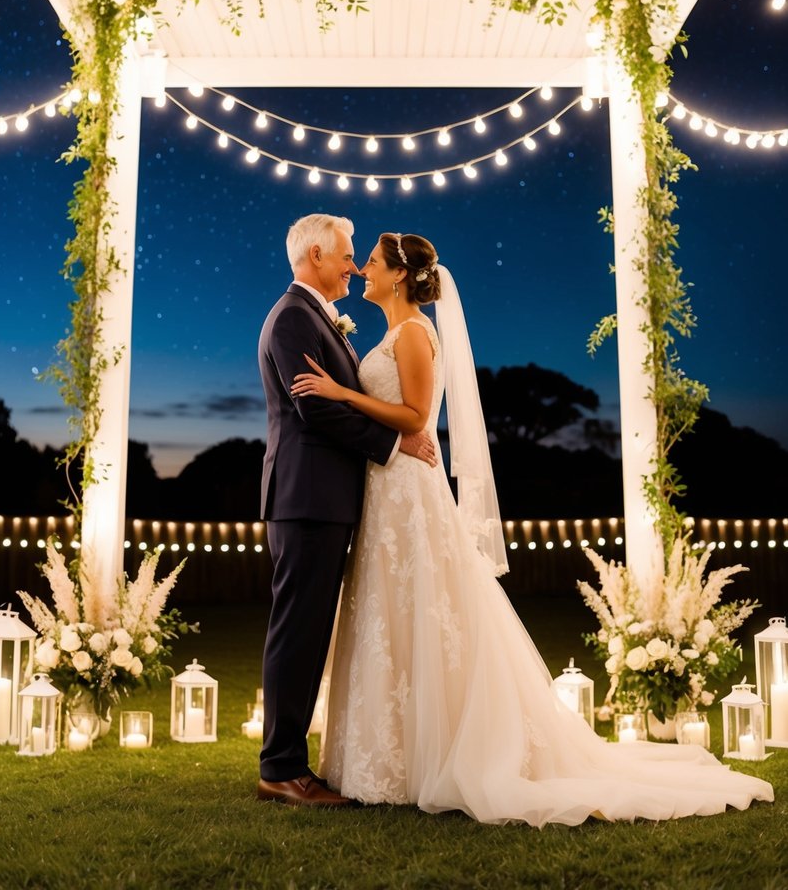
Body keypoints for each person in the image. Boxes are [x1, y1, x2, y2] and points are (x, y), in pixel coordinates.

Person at [290, 232, 774, 826]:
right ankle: (387, 756)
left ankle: (438, 753)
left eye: (371, 263)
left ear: (397, 275)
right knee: (390, 611)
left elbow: (418, 418)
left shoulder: (415, 332)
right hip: (386, 489)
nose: (361, 269)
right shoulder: (393, 332)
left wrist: (341, 392)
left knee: (424, 607)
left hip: (410, 491)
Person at [256, 214, 436, 808]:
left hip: (326, 499)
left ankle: (290, 763)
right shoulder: (293, 319)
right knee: (299, 631)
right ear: (315, 254)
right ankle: (280, 768)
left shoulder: (315, 318)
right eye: (347, 257)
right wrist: (395, 444)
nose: (354, 267)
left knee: (309, 633)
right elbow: (318, 411)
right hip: (307, 498)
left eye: (362, 259)